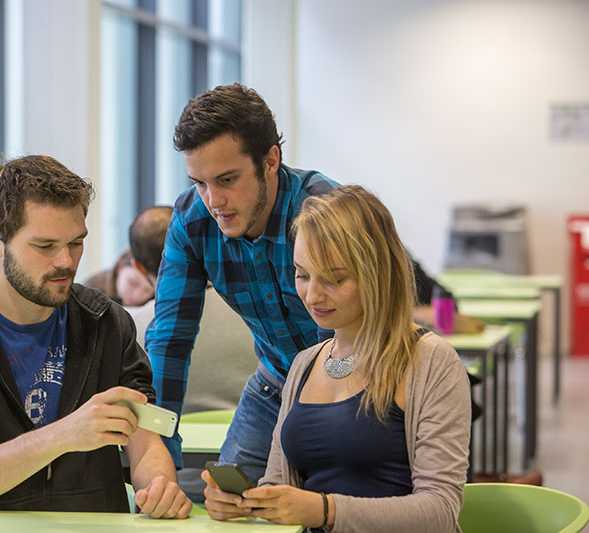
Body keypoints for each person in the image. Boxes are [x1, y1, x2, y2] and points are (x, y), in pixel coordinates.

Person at [0, 155, 191, 517]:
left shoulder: (106, 321)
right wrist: (63, 435)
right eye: (44, 246)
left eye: (76, 243)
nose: (65, 261)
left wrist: (159, 486)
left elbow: (144, 439)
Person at [202, 185, 471, 532]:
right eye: (302, 275)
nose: (312, 295)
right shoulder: (304, 365)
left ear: (376, 274)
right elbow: (278, 485)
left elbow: (440, 511)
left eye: (334, 279)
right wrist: (250, 504)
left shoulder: (431, 361)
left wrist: (326, 511)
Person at [145, 83, 338, 484]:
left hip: (353, 381)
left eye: (227, 179)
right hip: (274, 380)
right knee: (227, 499)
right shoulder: (192, 222)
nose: (213, 200)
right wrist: (159, 451)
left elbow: (336, 346)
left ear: (270, 161)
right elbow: (168, 339)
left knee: (328, 499)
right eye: (199, 182)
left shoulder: (323, 212)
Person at [128, 206, 256, 414]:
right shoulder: (257, 316)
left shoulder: (131, 331)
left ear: (138, 267)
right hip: (254, 442)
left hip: (164, 443)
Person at [84, 250, 154, 308]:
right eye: (133, 283)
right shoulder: (89, 294)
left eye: (146, 290)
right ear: (119, 267)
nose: (137, 294)